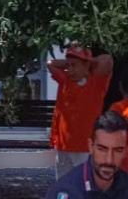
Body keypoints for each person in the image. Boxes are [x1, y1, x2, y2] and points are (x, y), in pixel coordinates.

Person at [48, 45, 113, 180]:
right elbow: (50, 64)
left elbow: (108, 60)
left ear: (87, 65)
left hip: (84, 147)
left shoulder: (96, 83)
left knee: (85, 185)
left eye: (74, 65)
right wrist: (71, 61)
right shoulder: (65, 80)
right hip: (63, 145)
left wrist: (88, 60)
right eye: (68, 66)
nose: (70, 69)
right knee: (63, 185)